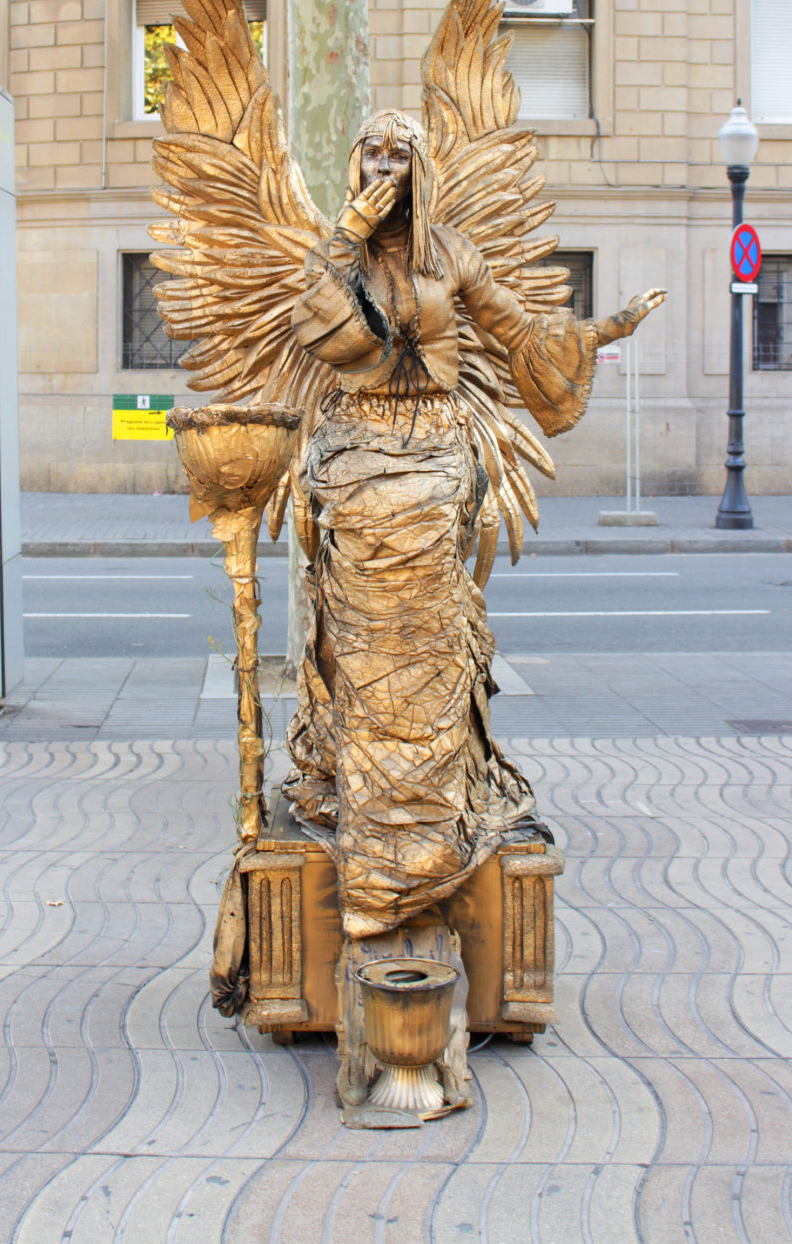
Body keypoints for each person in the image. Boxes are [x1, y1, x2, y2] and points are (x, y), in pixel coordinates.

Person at [284, 110, 665, 939]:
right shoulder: (334, 248)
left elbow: (520, 334)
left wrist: (603, 330)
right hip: (356, 443)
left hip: (435, 441)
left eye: (400, 152)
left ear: (424, 167)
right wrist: (348, 231)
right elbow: (311, 317)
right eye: (372, 151)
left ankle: (416, 839)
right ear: (355, 163)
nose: (385, 166)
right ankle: (375, 832)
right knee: (362, 627)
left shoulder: (451, 252)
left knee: (425, 619)